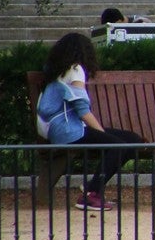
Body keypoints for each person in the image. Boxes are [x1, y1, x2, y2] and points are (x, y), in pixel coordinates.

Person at [35, 32, 143, 211]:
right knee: (118, 146)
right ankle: (91, 195)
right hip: (69, 131)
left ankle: (91, 187)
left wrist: (104, 136)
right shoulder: (75, 70)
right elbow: (83, 110)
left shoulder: (55, 70)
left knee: (132, 139)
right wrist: (103, 135)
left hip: (61, 130)